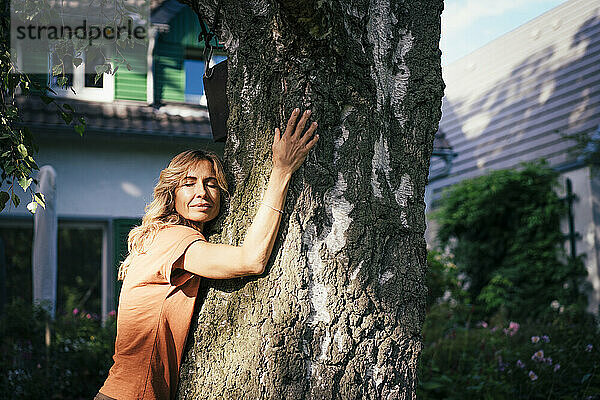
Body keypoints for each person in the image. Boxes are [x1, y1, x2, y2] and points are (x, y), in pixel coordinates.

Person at [94, 108, 318, 400]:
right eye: (189, 184)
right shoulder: (173, 237)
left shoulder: (162, 237)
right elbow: (251, 259)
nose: (202, 192)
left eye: (211, 183)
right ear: (171, 195)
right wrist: (282, 170)